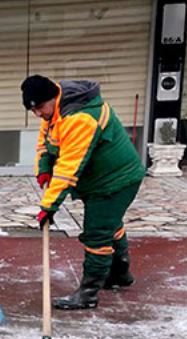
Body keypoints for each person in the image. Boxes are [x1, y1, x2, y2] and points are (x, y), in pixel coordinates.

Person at [21, 75, 145, 310]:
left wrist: (48, 207)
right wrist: (43, 168)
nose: (37, 114)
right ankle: (120, 272)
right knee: (109, 223)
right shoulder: (55, 110)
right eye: (32, 110)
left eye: (39, 108)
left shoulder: (80, 118)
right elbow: (45, 142)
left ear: (53, 97)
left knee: (97, 233)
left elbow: (68, 168)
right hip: (99, 178)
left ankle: (88, 294)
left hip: (115, 180)